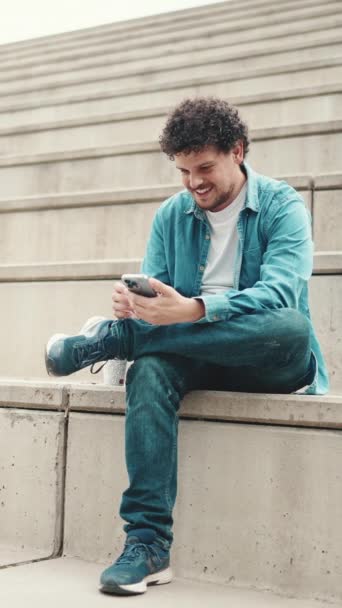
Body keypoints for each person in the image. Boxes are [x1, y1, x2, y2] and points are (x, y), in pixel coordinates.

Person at [45, 97, 329, 596]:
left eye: (204, 168)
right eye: (183, 171)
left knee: (291, 327)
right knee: (150, 370)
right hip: (194, 357)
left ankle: (116, 344)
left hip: (267, 357)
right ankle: (147, 546)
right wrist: (133, 306)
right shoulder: (172, 215)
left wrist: (196, 309)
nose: (193, 182)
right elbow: (156, 293)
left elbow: (281, 293)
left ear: (237, 151)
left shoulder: (282, 207)